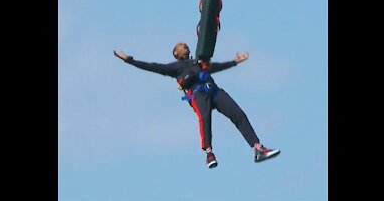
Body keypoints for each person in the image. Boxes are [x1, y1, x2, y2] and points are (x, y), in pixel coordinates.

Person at [113, 42, 280, 168]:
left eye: (185, 45)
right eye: (181, 46)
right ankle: (209, 153)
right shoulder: (174, 68)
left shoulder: (199, 63)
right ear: (176, 53)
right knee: (205, 119)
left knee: (238, 114)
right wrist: (130, 60)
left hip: (213, 90)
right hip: (198, 95)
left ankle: (258, 149)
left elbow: (216, 67)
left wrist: (235, 61)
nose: (184, 45)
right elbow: (152, 67)